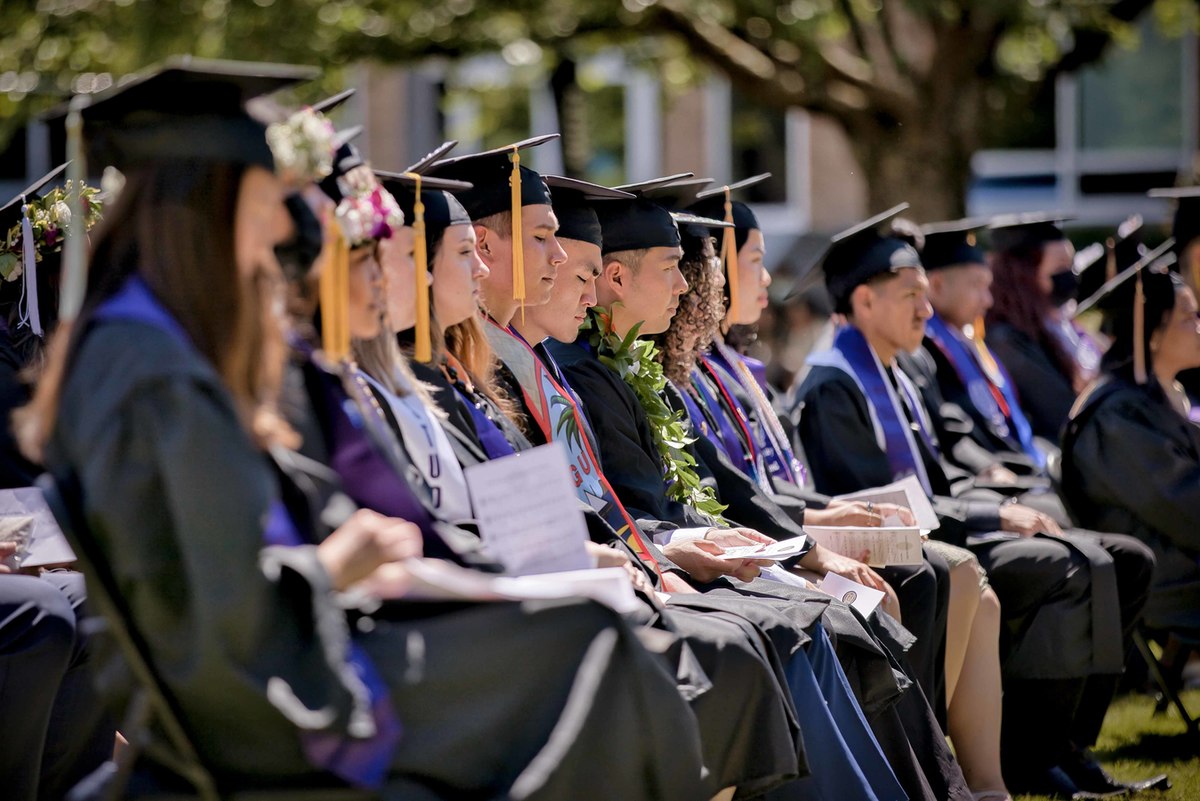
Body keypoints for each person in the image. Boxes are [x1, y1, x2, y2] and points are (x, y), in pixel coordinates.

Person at [18, 60, 711, 799]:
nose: (287, 227)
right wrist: (340, 562)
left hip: (304, 650)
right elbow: (211, 615)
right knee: (594, 647)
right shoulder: (147, 369)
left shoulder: (159, 346)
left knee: (593, 639)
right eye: (266, 204)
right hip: (277, 698)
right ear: (207, 208)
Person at [792, 205, 1132, 798]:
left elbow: (937, 476)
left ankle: (1026, 761)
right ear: (865, 304)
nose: (927, 309)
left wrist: (996, 501)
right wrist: (989, 514)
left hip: (938, 532)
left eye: (927, 294)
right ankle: (1003, 761)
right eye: (910, 296)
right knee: (1015, 576)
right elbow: (887, 507)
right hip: (887, 546)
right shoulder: (833, 386)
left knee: (1089, 560)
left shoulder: (898, 369)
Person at [1061, 255, 1200, 637]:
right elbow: (1183, 506)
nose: (1199, 328)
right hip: (1164, 578)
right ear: (1154, 332)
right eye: (1189, 318)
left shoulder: (1156, 396)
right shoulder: (1117, 416)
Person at [984, 213, 1104, 440]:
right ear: (1023, 275)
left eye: (1071, 264)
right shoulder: (1008, 339)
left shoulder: (1058, 325)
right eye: (1060, 267)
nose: (1070, 275)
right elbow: (1060, 412)